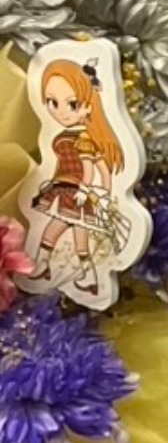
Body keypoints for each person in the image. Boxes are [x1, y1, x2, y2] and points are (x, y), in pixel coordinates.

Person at [25, 54, 125, 303]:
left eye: (72, 104)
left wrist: (91, 191)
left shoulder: (84, 139)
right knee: (67, 233)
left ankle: (79, 274)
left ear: (88, 105)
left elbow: (92, 168)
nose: (60, 111)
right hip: (64, 187)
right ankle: (73, 273)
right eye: (52, 102)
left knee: (68, 233)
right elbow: (86, 167)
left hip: (77, 191)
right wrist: (52, 182)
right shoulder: (63, 136)